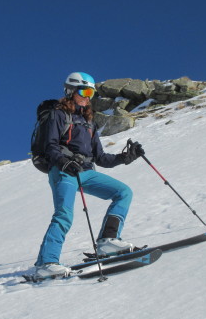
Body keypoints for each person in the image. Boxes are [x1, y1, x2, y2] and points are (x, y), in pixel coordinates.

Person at [34, 72, 145, 279]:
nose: (87, 97)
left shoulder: (89, 123)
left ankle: (107, 242)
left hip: (86, 172)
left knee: (123, 192)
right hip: (64, 172)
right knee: (64, 215)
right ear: (70, 91)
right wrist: (64, 162)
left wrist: (126, 157)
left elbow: (101, 158)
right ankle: (46, 263)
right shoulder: (58, 115)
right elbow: (50, 146)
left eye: (91, 93)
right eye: (84, 91)